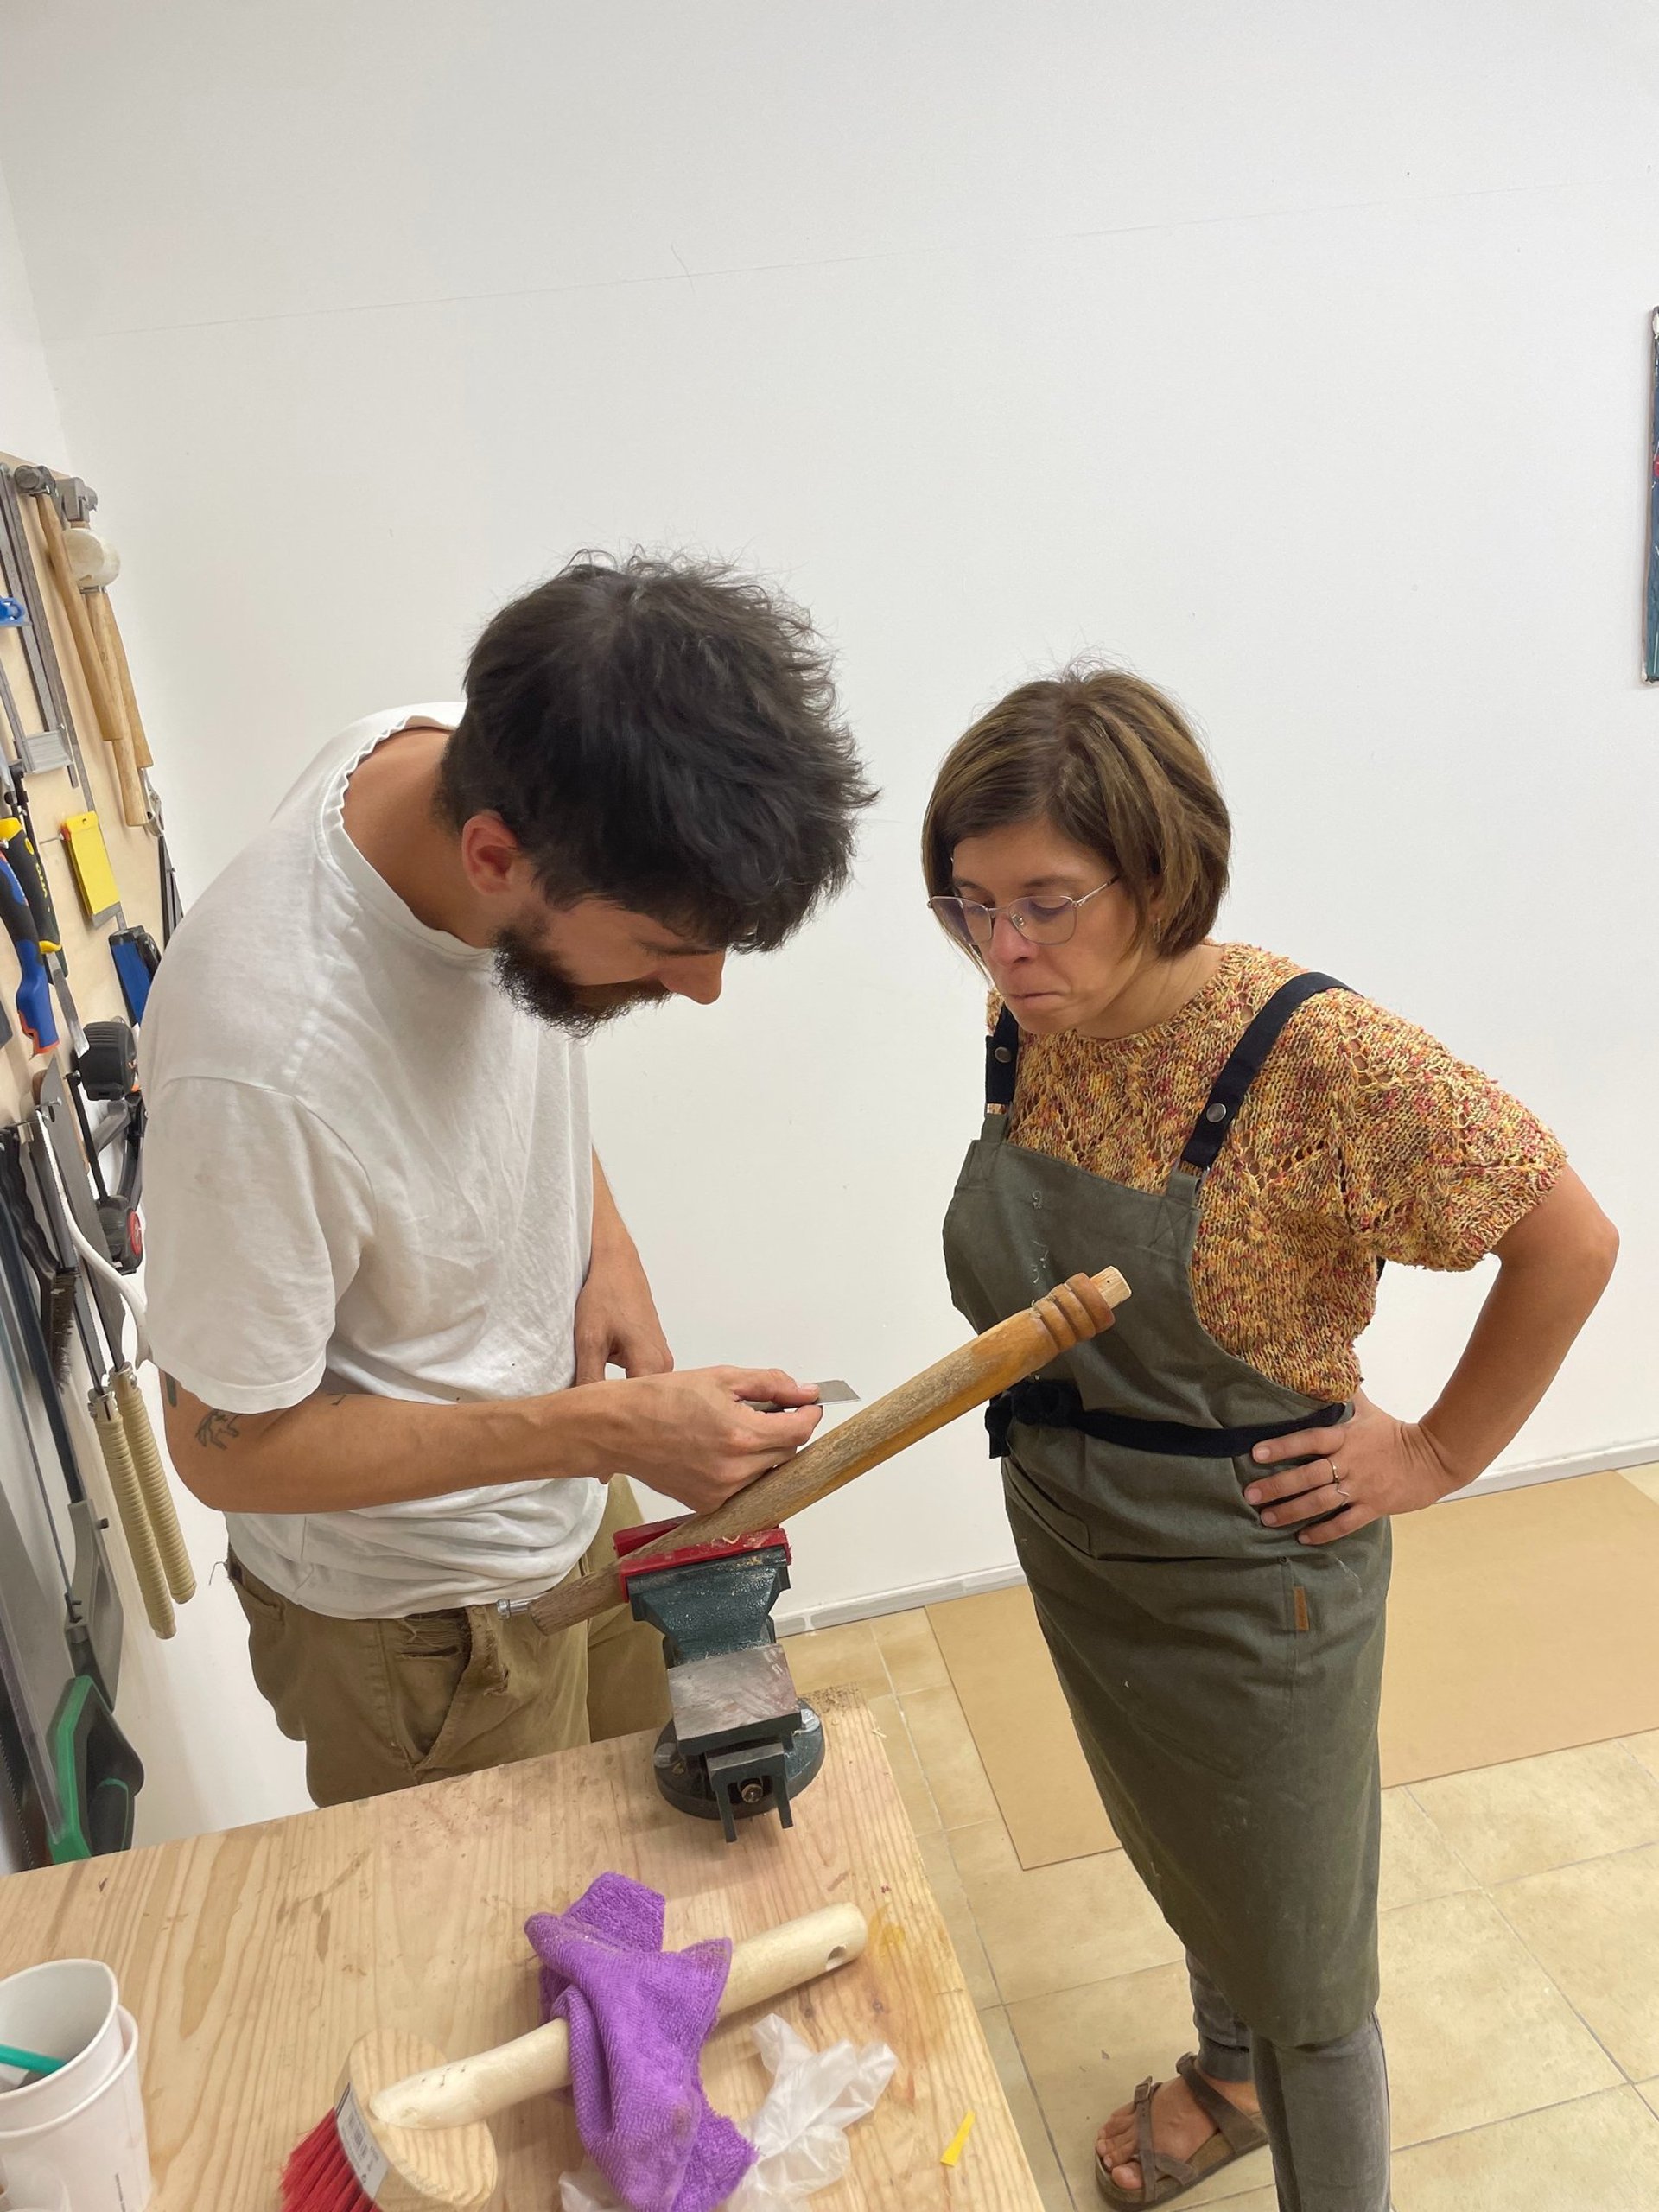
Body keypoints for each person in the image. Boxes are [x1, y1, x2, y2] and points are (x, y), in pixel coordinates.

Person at [923, 668, 1617, 2212]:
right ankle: (1222, 2081)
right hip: (1077, 1534)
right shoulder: (1025, 1015)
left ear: (1159, 871)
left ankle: (1296, 2118)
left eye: (1045, 902)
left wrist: (1435, 1455)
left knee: (1311, 1970)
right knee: (1180, 1839)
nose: (1005, 949)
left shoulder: (1319, 1057)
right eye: (970, 906)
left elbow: (1567, 1239)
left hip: (1256, 1574)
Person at [141, 552, 874, 1808]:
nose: (700, 988)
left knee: (657, 1841)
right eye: (664, 949)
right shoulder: (259, 1063)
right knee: (510, 1966)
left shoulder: (446, 751)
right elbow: (223, 1449)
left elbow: (486, 1059)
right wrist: (597, 1429)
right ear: (493, 856)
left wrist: (604, 1240)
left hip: (558, 1500)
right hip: (419, 1630)